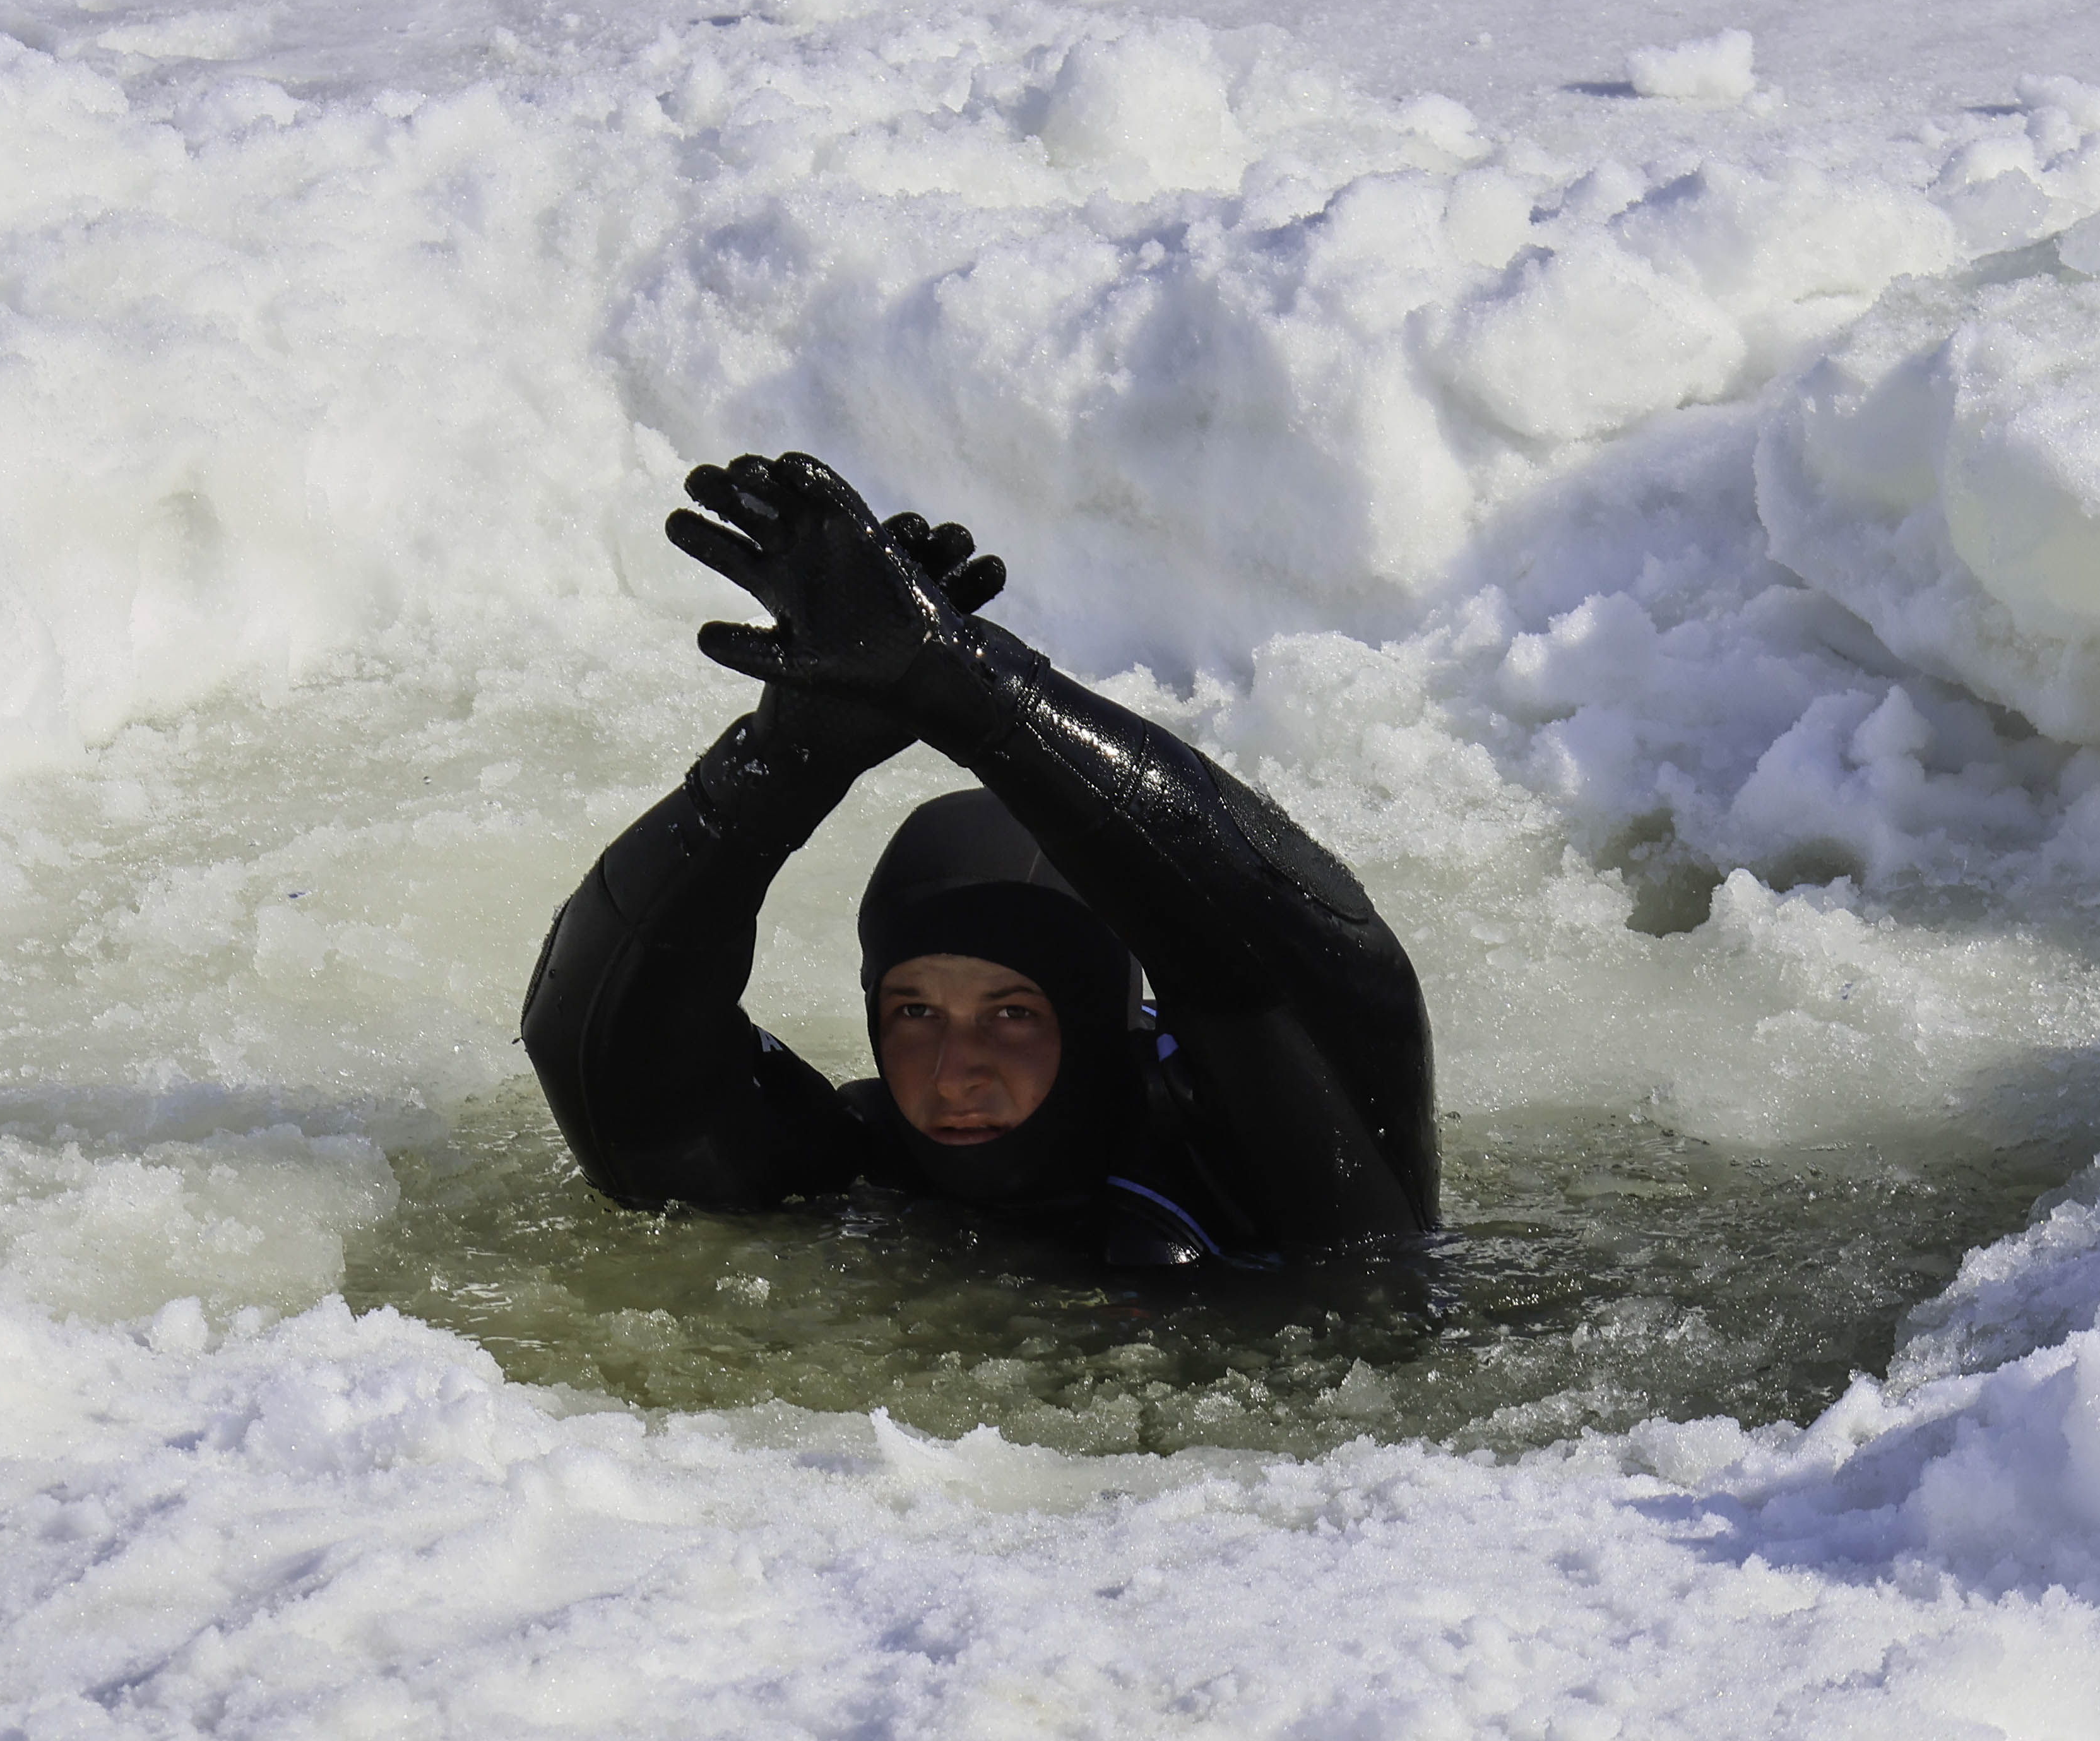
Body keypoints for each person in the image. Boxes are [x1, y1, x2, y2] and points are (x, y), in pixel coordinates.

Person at [520, 451, 1437, 1269]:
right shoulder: (858, 1166)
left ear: (1092, 1017)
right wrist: (786, 762)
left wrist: (965, 688)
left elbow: (1314, 959)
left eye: (1010, 1013)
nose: (953, 1070)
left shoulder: (1255, 1157)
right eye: (914, 1010)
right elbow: (596, 1042)